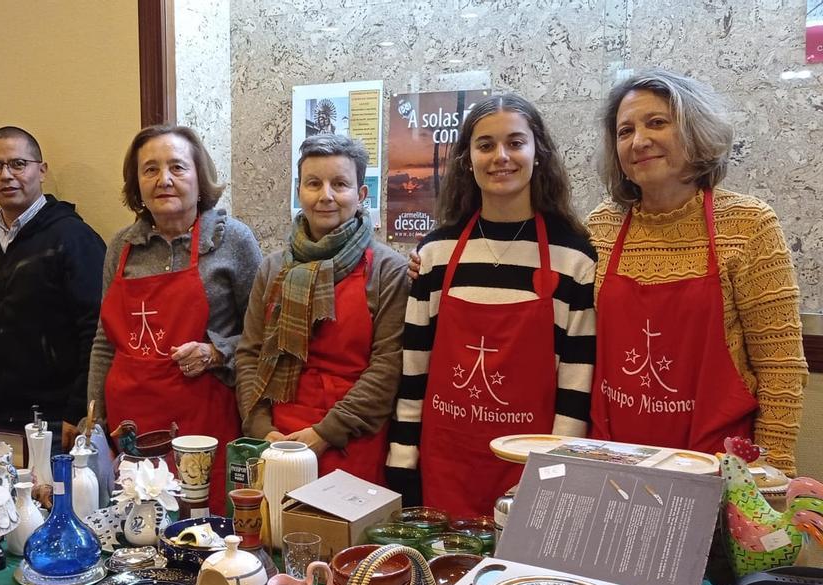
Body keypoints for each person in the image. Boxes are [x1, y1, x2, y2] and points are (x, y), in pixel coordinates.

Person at [587, 70, 807, 474]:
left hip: (717, 468)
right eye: (625, 131)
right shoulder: (600, 227)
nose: (639, 141)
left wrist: (770, 473)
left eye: (657, 122)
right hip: (616, 460)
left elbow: (781, 369)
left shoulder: (749, 224)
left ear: (694, 132)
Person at [389, 94, 598, 516]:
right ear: (467, 159)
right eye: (485, 145)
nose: (501, 156)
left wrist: (553, 476)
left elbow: (575, 388)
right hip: (443, 469)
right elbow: (413, 372)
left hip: (530, 473)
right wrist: (402, 462)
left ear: (538, 152)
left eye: (515, 143)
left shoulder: (574, 259)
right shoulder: (435, 254)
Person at [87, 124, 262, 514]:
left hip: (204, 424)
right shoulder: (121, 247)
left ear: (200, 178)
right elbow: (104, 340)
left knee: (203, 526)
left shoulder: (233, 240)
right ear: (137, 185)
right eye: (150, 169)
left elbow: (263, 335)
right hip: (130, 427)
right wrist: (94, 422)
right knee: (137, 525)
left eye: (177, 167)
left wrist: (216, 352)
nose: (163, 179)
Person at [236, 135, 408, 486]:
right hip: (276, 441)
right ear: (299, 191)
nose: (326, 195)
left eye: (340, 184)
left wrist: (325, 433)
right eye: (314, 183)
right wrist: (262, 430)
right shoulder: (272, 268)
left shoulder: (387, 270)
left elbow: (387, 368)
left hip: (350, 440)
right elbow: (250, 355)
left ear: (361, 194)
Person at [0, 126, 105, 448]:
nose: (6, 175)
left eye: (18, 164)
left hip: (58, 419)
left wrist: (78, 410)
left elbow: (96, 331)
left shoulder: (73, 238)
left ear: (41, 171)